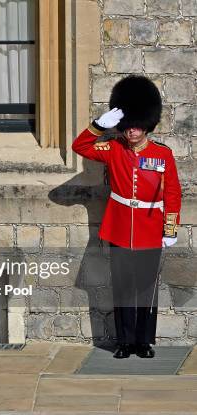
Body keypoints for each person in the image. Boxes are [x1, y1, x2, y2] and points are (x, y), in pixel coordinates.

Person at [72, 76, 182, 359]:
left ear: (147, 124)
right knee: (121, 288)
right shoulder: (113, 150)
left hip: (150, 228)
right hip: (120, 227)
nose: (132, 131)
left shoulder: (162, 154)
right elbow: (80, 147)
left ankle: (143, 342)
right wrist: (98, 126)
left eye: (137, 125)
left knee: (146, 289)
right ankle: (124, 342)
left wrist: (170, 229)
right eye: (128, 125)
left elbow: (172, 193)